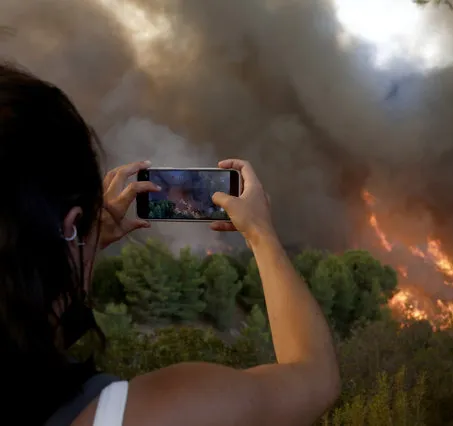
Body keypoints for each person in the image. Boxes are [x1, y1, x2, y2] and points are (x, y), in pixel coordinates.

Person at [0, 62, 340, 425]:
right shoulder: (151, 413)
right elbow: (314, 377)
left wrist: (76, 243)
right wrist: (261, 234)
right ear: (69, 225)